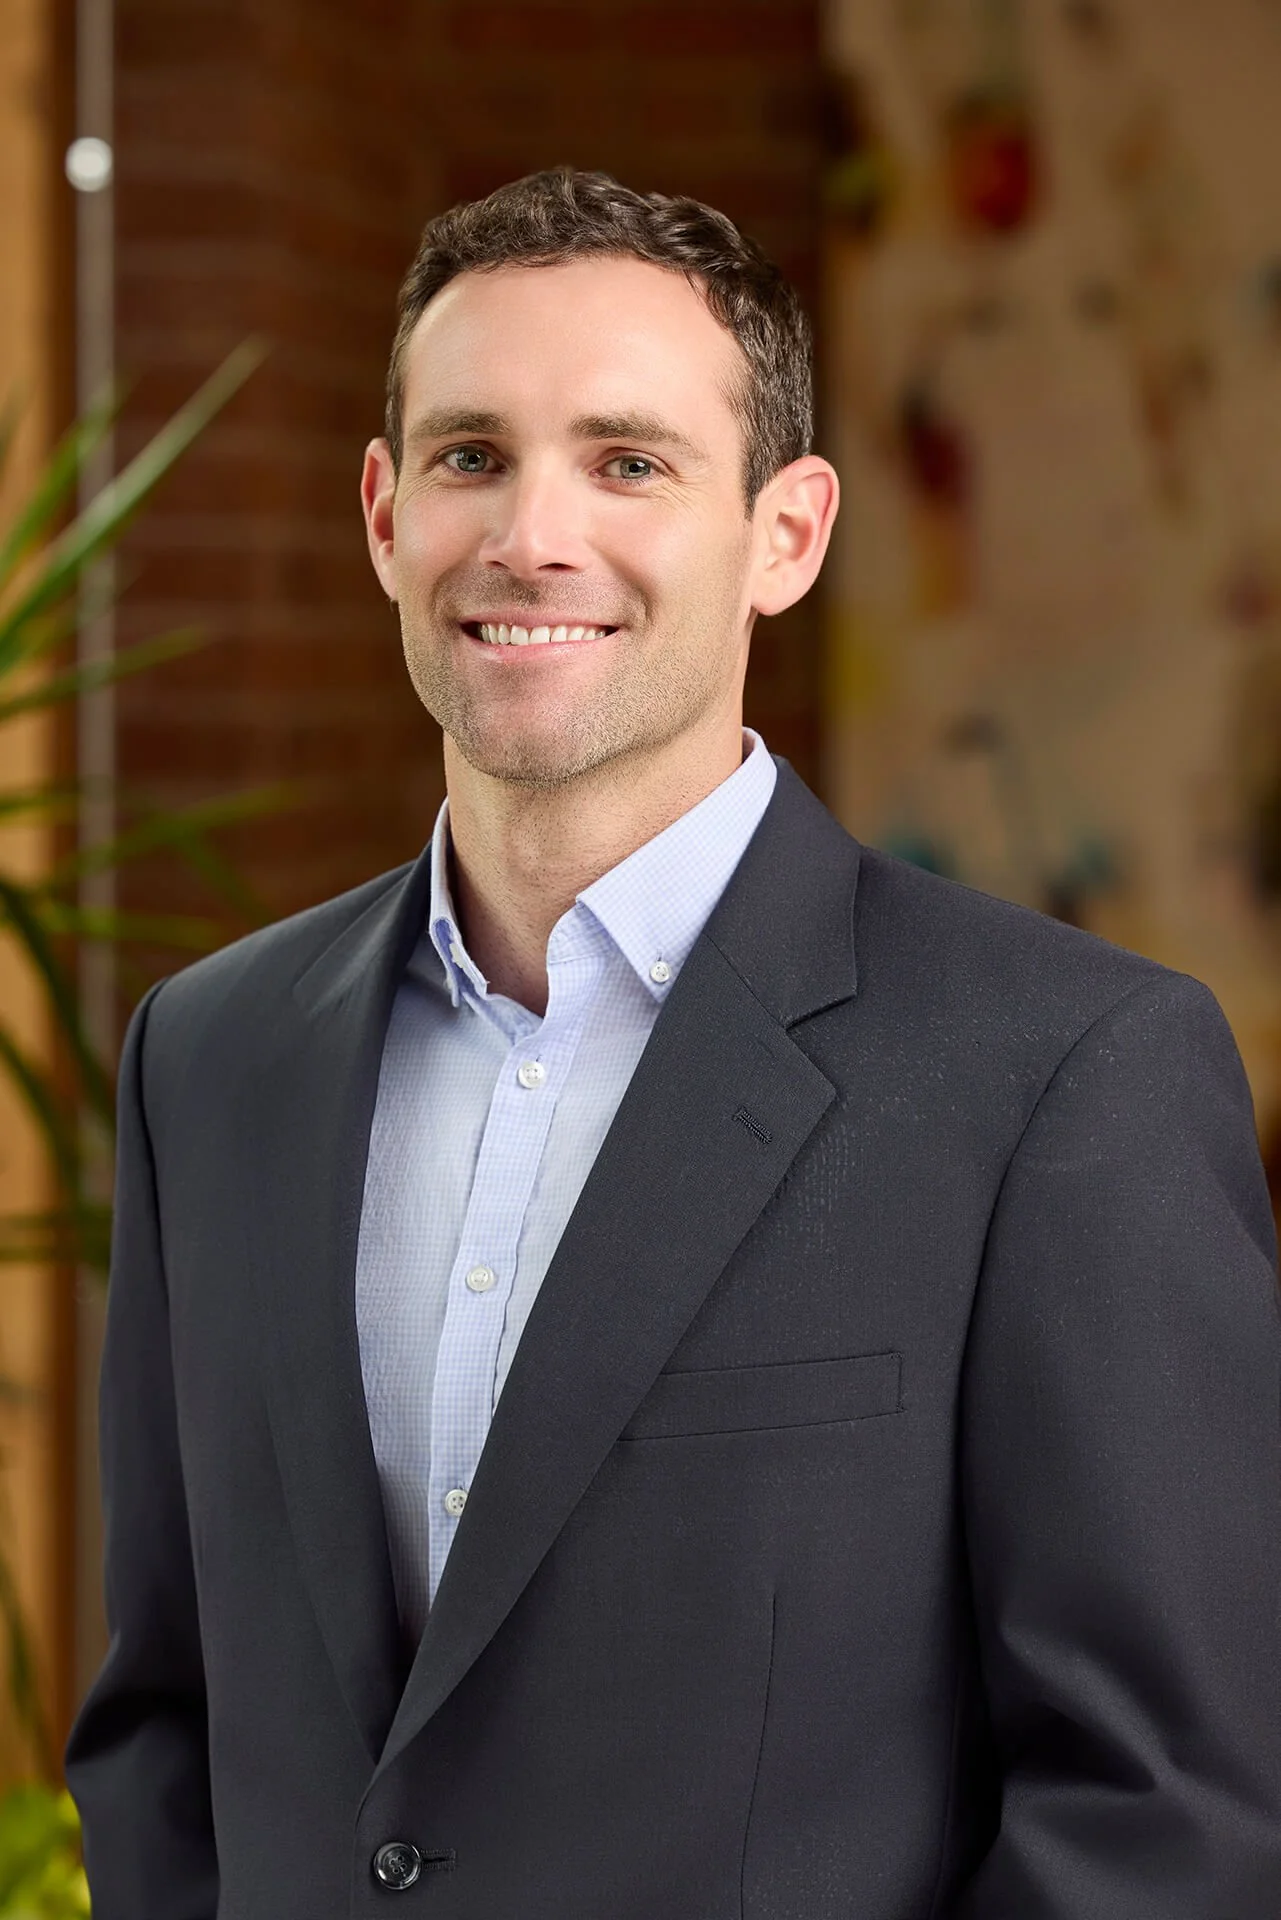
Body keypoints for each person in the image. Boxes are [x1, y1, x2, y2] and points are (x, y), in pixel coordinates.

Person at [66, 167, 1281, 1919]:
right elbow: (167, 1729)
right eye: (471, 455)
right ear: (383, 513)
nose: (529, 534)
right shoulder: (211, 1057)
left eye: (628, 462)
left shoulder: (1065, 1077)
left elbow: (1170, 1818)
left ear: (785, 533)